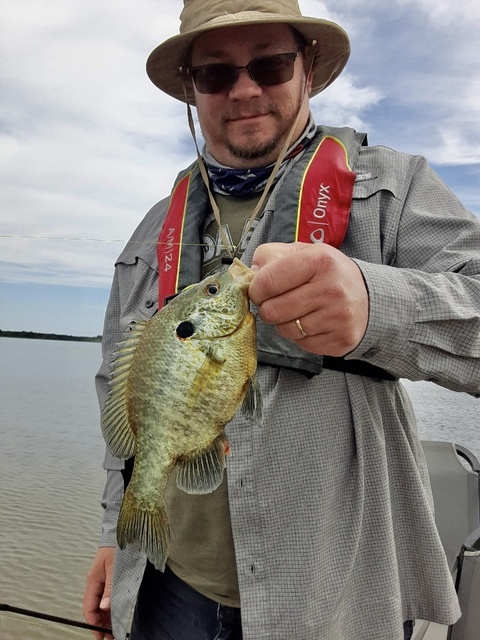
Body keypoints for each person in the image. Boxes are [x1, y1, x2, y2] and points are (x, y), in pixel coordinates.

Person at [83, 1, 480, 639]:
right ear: (191, 90)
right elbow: (120, 389)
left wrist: (378, 307)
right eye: (215, 74)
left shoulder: (391, 189)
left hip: (329, 591)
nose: (244, 89)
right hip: (164, 580)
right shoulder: (153, 229)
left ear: (308, 68)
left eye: (269, 65)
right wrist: (112, 533)